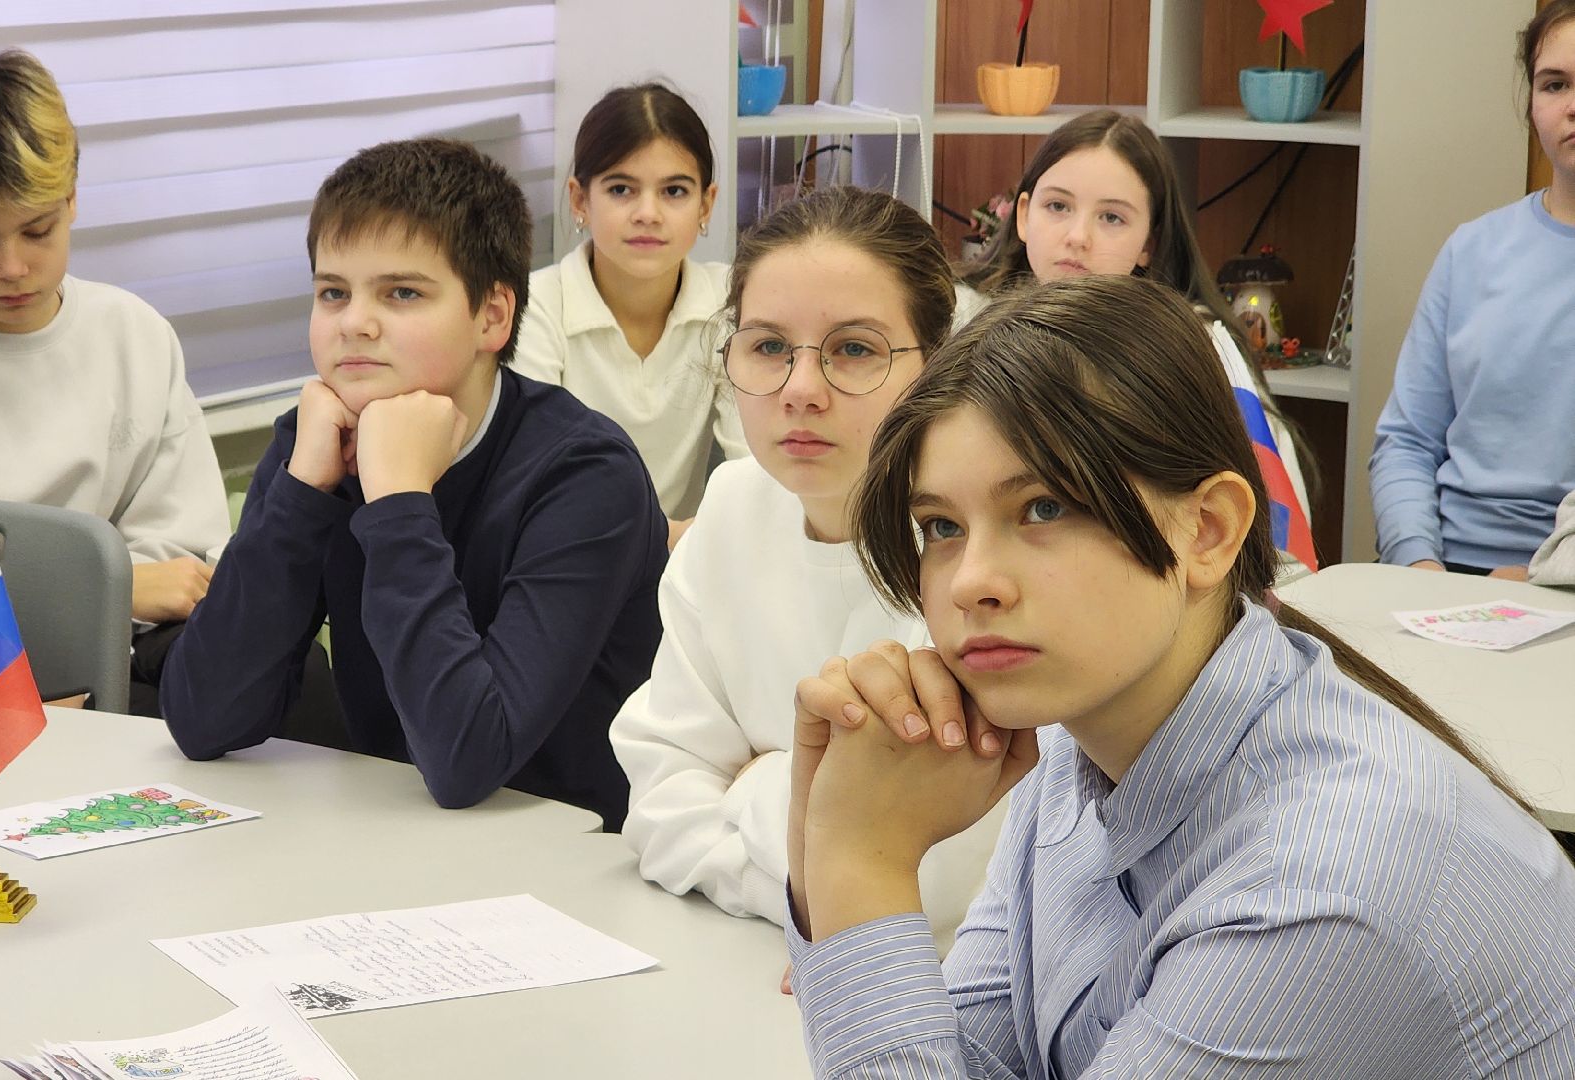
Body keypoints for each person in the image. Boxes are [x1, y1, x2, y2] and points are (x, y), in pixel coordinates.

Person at [785, 275, 1575, 1078]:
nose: (968, 582)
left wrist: (859, 862)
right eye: (942, 527)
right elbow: (982, 1060)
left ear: (1208, 530)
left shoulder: (1322, 891)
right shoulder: (1076, 746)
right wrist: (825, 846)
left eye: (1044, 508)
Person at [160, 138, 667, 831]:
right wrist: (304, 488)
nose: (354, 323)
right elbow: (202, 719)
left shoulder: (585, 475)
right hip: (390, 838)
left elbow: (469, 762)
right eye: (332, 293)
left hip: (568, 858)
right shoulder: (316, 445)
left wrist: (399, 500)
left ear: (492, 316)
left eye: (401, 293)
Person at [609, 186, 1001, 944]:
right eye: (767, 347)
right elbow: (658, 808)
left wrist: (756, 781)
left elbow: (946, 884)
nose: (800, 391)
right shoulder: (731, 510)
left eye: (854, 349)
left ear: (938, 363)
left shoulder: (979, 554)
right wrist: (806, 893)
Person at [0, 47, 229, 713]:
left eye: (38, 230)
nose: (13, 267)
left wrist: (118, 605)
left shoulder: (133, 335)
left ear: (73, 200)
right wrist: (116, 589)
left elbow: (184, 559)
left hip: (140, 658)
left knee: (297, 692)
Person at [964, 110, 1317, 571]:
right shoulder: (962, 324)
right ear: (1024, 215)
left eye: (1111, 217)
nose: (1078, 237)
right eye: (1058, 207)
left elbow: (1276, 534)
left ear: (1148, 243)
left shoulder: (1198, 349)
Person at [1370, 0, 1575, 578]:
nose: (1573, 106)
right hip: (1446, 573)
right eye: (1555, 84)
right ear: (1531, 103)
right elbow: (1406, 443)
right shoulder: (1471, 251)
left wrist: (1543, 578)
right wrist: (1418, 563)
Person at [518, 83, 746, 543]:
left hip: (688, 561)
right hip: (566, 561)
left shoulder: (732, 304)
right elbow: (537, 487)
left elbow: (758, 470)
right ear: (580, 200)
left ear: (706, 203)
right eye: (621, 189)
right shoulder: (533, 307)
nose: (648, 213)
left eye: (674, 191)